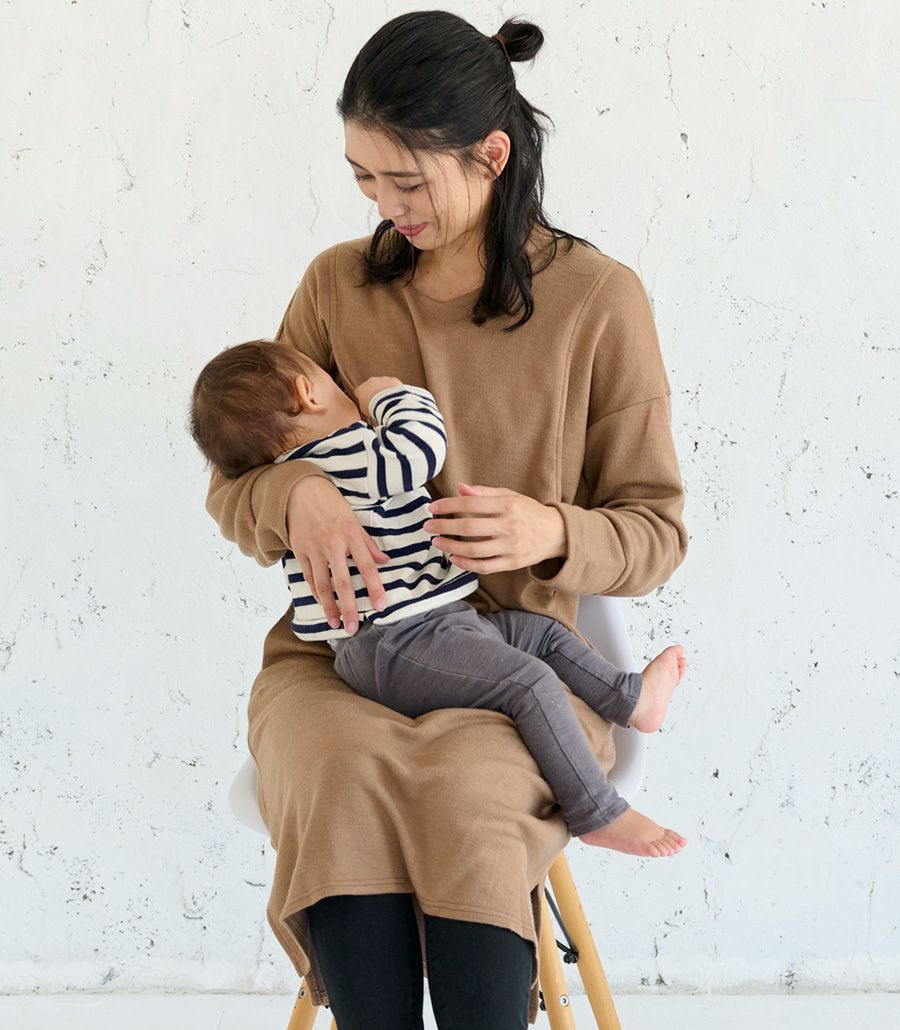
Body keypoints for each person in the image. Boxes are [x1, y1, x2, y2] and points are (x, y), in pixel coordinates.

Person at [203, 12, 689, 1029]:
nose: (385, 208)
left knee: (470, 792)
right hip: (337, 658)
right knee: (338, 773)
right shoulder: (336, 287)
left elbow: (655, 531)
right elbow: (233, 485)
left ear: (492, 155)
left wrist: (553, 533)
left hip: (516, 665)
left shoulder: (600, 301)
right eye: (363, 180)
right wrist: (297, 494)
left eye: (407, 182)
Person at [190, 341, 689, 843]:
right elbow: (420, 452)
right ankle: (598, 813)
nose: (346, 390)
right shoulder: (342, 455)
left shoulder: (291, 478)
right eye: (332, 382)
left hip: (425, 632)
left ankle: (631, 699)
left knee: (542, 635)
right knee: (531, 683)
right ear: (308, 393)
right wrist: (389, 396)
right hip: (398, 645)